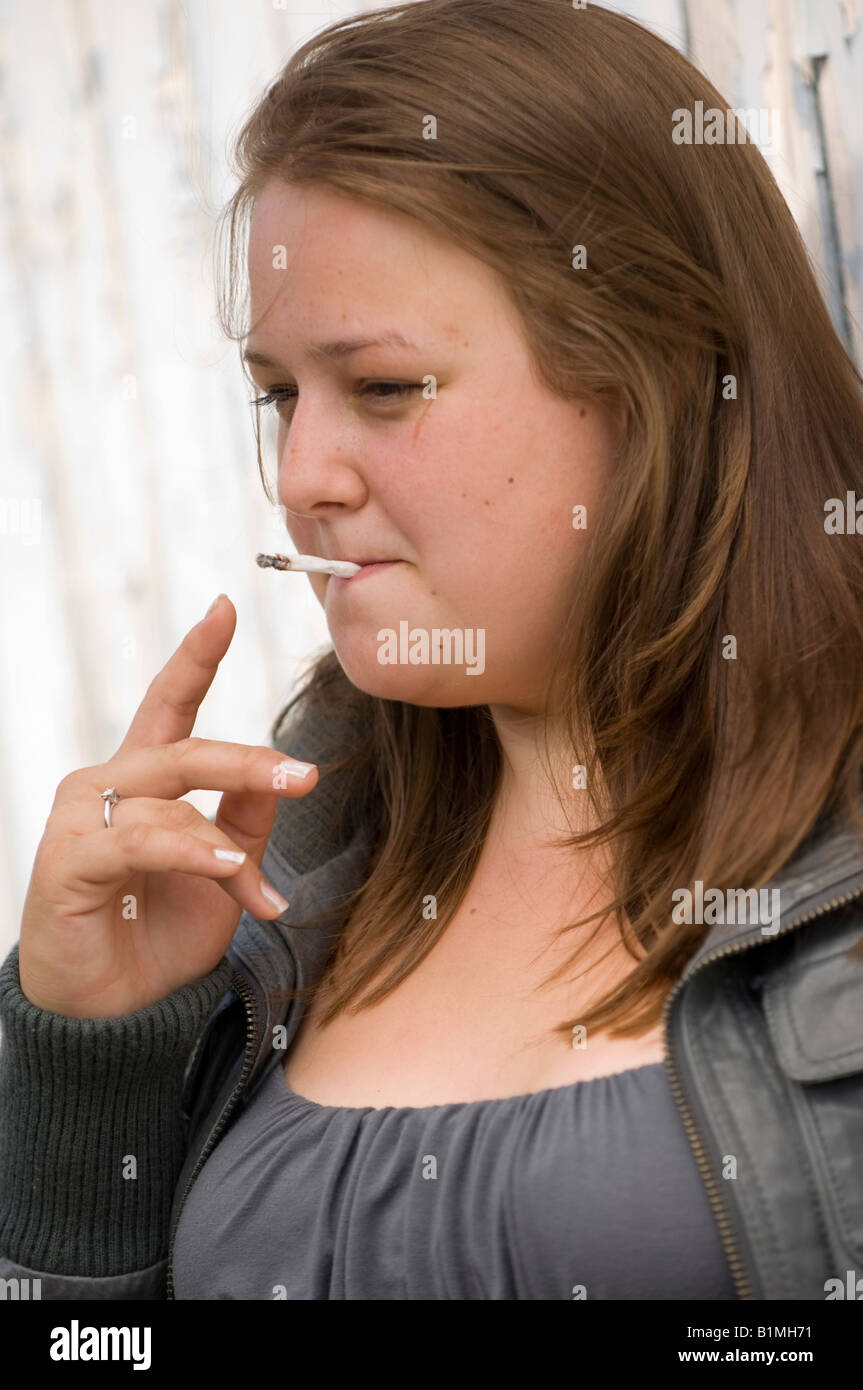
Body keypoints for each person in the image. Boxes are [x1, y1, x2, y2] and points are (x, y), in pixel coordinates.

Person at [2, 0, 863, 1301]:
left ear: (666, 374)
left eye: (386, 389)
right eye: (280, 395)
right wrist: (92, 1055)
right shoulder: (294, 851)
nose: (300, 476)